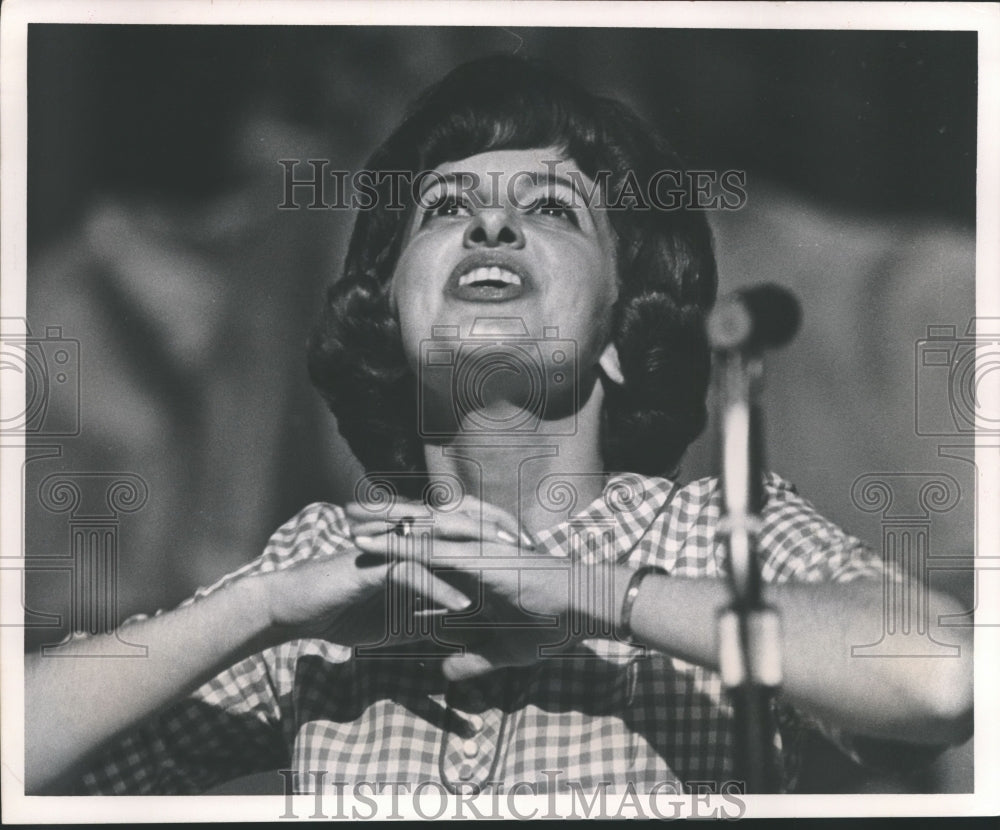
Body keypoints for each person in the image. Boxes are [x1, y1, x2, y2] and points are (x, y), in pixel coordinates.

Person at [25, 55, 972, 797]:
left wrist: (581, 590)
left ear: (619, 331)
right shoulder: (323, 567)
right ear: (390, 323)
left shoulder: (707, 535)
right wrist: (258, 610)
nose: (489, 228)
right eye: (445, 209)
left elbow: (940, 681)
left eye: (551, 209)